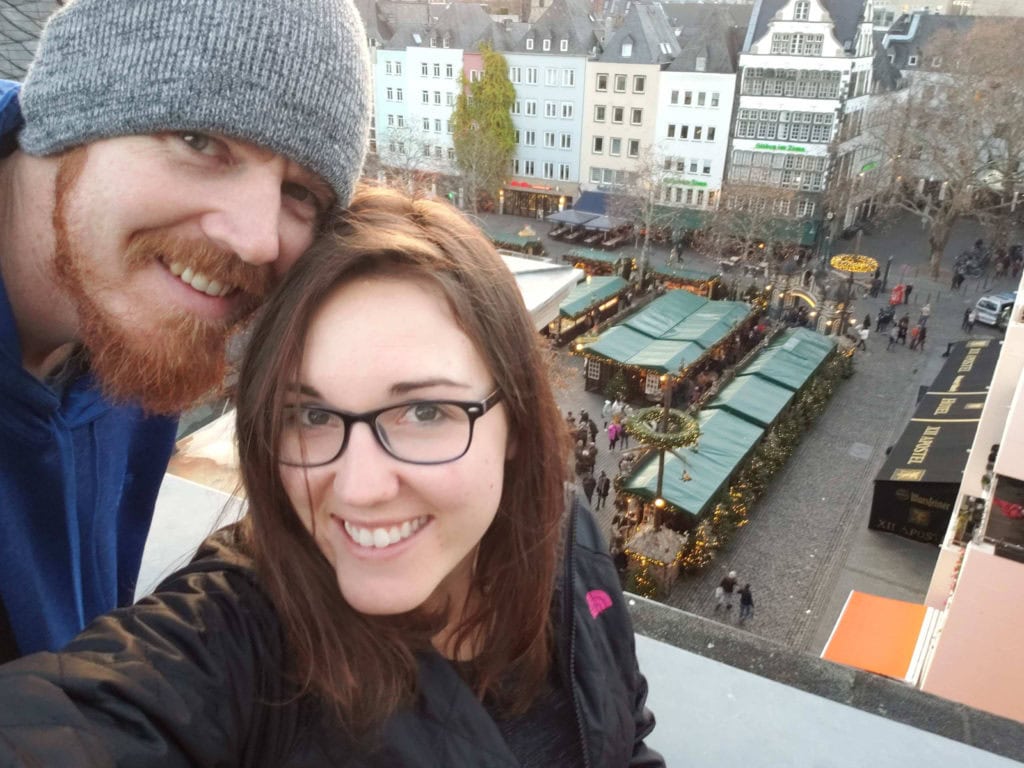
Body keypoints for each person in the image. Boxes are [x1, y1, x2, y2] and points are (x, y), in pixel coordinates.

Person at [0, 187, 664, 766]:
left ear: (516, 420)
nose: (358, 488)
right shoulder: (237, 639)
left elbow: (624, 736)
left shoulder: (564, 532)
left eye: (424, 411)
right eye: (311, 413)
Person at [0, 0, 371, 662]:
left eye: (301, 193)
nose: (256, 239)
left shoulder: (139, 332)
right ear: (70, 107)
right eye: (201, 141)